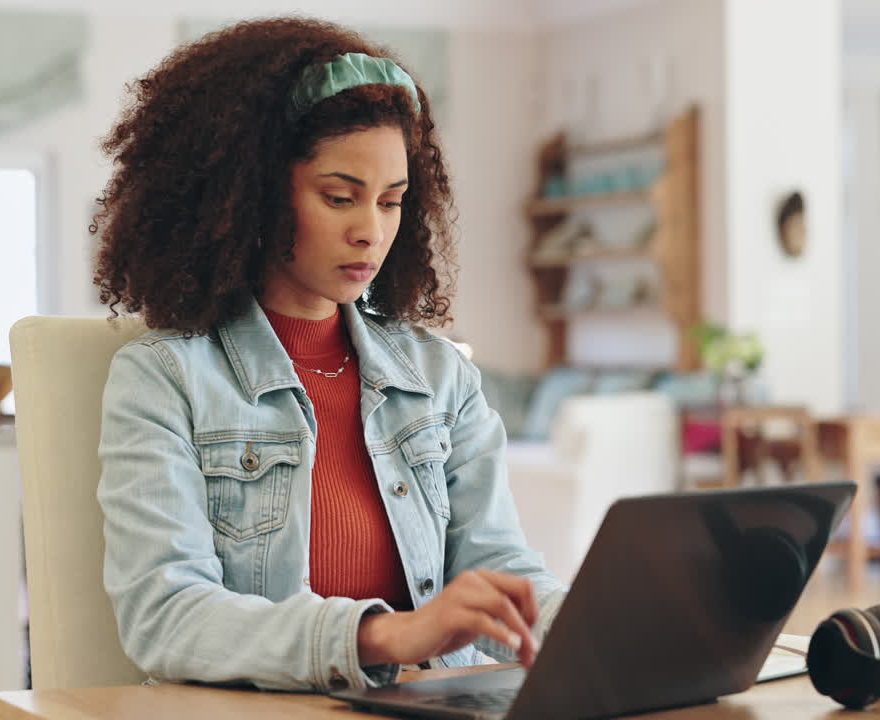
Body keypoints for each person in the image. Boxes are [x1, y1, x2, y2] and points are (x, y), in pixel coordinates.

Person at [91, 16, 565, 693]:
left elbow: (502, 570)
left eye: (392, 202)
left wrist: (608, 628)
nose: (371, 231)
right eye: (338, 197)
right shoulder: (165, 378)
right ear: (251, 194)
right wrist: (383, 635)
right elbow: (167, 618)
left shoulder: (439, 377)